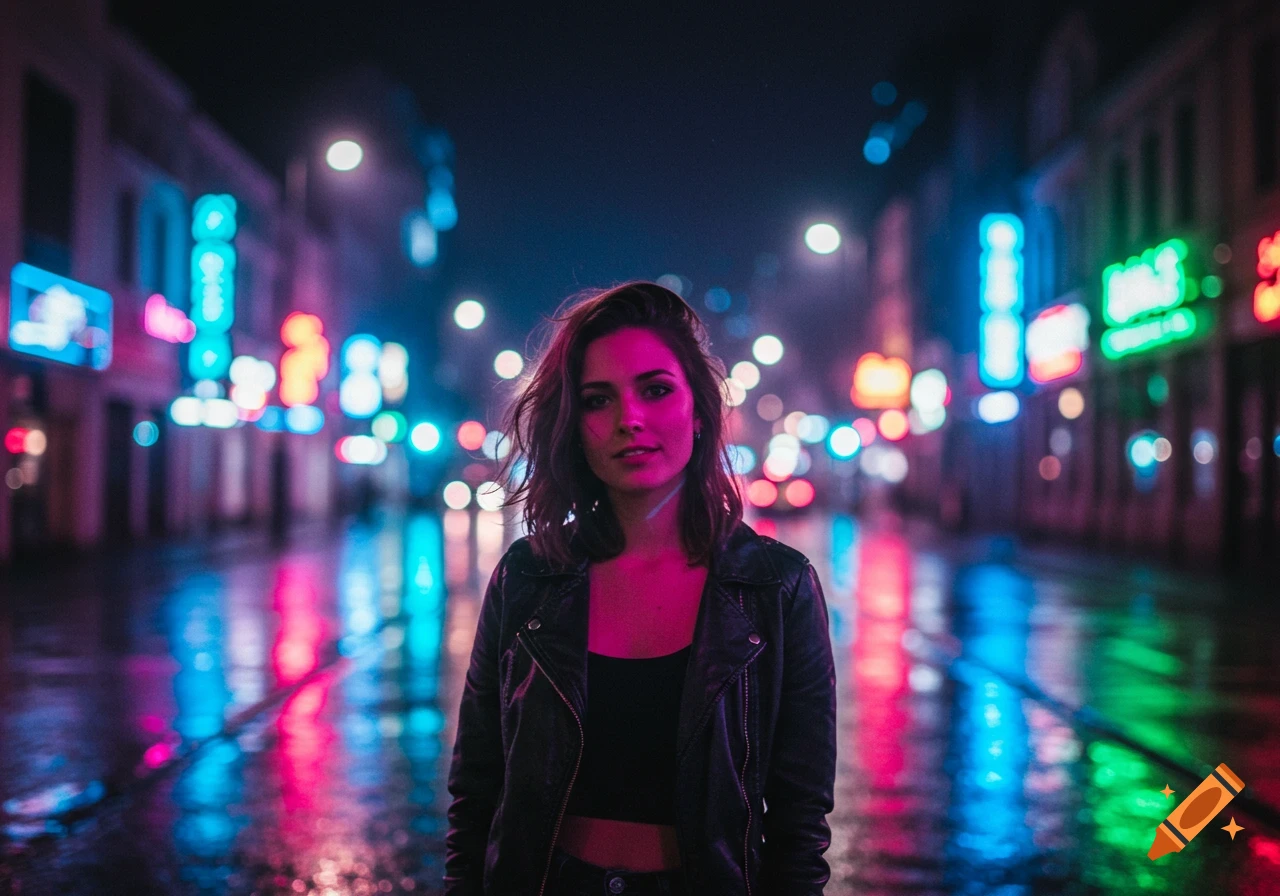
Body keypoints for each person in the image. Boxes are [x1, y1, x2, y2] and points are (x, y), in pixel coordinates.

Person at [444, 282, 836, 895]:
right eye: (598, 400)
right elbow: (477, 793)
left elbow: (800, 826)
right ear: (574, 426)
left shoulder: (775, 588)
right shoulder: (528, 577)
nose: (629, 419)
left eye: (656, 390)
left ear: (701, 410)